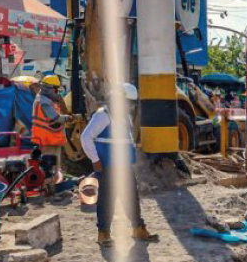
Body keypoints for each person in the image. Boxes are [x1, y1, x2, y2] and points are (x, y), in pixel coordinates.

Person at [79, 82, 159, 248]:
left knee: (131, 198)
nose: (129, 107)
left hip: (124, 166)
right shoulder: (103, 116)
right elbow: (85, 138)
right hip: (107, 167)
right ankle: (104, 234)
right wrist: (95, 160)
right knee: (107, 200)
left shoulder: (125, 118)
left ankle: (138, 228)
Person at [32, 74, 68, 195]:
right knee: (49, 165)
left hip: (47, 138)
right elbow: (55, 118)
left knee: (50, 165)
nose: (57, 92)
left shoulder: (41, 98)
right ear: (50, 88)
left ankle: (49, 187)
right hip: (48, 138)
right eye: (56, 89)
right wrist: (69, 118)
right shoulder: (45, 102)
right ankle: (48, 189)